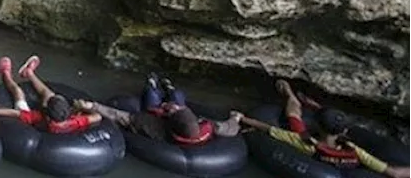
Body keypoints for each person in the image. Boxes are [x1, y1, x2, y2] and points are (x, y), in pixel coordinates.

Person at [233, 80, 411, 178]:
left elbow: (268, 127)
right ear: (343, 131)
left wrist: (243, 118)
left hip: (323, 162)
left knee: (293, 115)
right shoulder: (354, 151)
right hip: (348, 167)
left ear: (316, 124)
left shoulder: (304, 140)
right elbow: (394, 173)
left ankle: (289, 93)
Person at [75, 73, 240, 144]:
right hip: (175, 116)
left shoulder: (156, 128)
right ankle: (169, 88)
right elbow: (230, 128)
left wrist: (92, 106)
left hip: (156, 112)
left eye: (175, 110)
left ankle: (152, 84)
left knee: (152, 95)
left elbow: (121, 116)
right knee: (177, 96)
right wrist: (236, 118)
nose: (175, 107)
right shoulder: (206, 128)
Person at [0, 55, 102, 133]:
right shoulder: (74, 121)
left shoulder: (38, 117)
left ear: (45, 111)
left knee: (18, 92)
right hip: (54, 118)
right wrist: (83, 107)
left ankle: (5, 74)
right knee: (48, 94)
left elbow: (16, 113)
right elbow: (98, 117)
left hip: (32, 126)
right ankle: (28, 73)